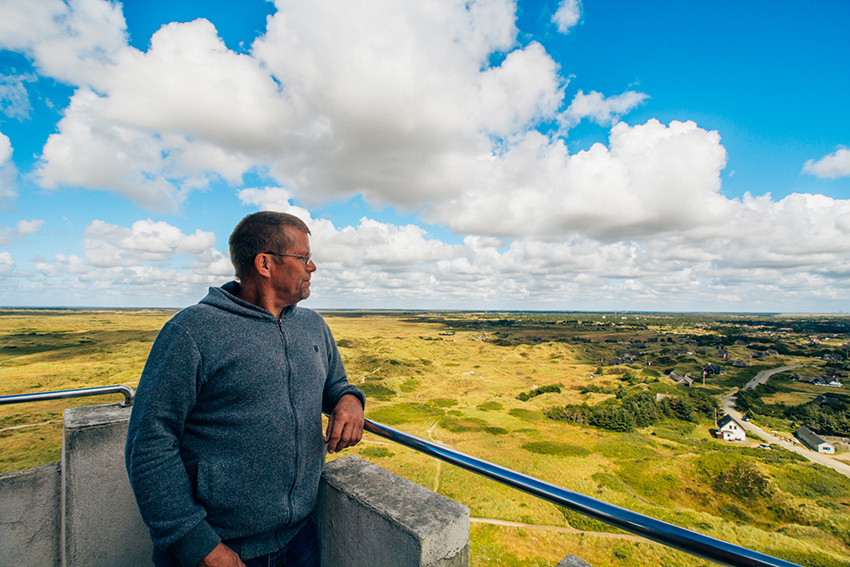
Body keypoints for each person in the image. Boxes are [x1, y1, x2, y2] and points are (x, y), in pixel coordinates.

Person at [126, 211, 365, 567]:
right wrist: (198, 546)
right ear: (265, 263)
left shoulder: (313, 326)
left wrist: (350, 400)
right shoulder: (192, 332)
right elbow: (149, 445)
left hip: (300, 540)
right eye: (303, 257)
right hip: (217, 549)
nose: (312, 267)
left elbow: (336, 384)